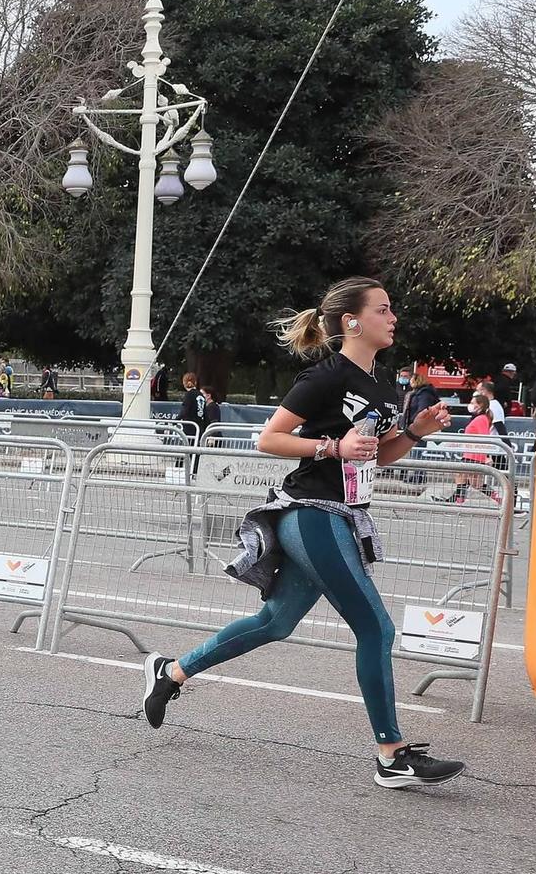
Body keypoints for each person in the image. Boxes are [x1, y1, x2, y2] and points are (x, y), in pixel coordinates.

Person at [138, 278, 462, 788]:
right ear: (352, 322)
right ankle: (391, 754)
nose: (393, 316)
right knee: (375, 628)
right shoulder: (326, 376)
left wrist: (416, 432)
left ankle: (170, 673)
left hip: (341, 515)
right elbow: (269, 438)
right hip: (312, 513)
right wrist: (330, 449)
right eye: (383, 309)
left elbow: (378, 453)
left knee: (275, 622)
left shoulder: (383, 384)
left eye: (391, 308)